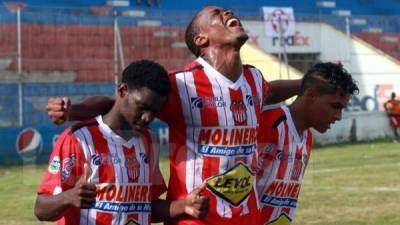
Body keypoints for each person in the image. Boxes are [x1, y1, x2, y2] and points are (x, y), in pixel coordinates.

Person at [46, 6, 301, 225]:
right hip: (195, 216)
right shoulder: (183, 85)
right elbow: (118, 103)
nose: (228, 12)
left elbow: (270, 91)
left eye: (226, 11)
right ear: (201, 39)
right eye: (216, 14)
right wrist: (73, 111)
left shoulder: (254, 79)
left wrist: (306, 83)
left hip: (247, 213)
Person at [35, 60, 209, 225]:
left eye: (154, 112)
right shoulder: (78, 139)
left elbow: (144, 206)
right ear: (123, 91)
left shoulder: (149, 141)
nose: (147, 117)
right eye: (142, 107)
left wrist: (184, 205)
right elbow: (41, 208)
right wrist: (69, 197)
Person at [256, 62, 359, 225]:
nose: (338, 116)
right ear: (311, 96)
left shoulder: (307, 137)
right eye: (335, 106)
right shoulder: (269, 124)